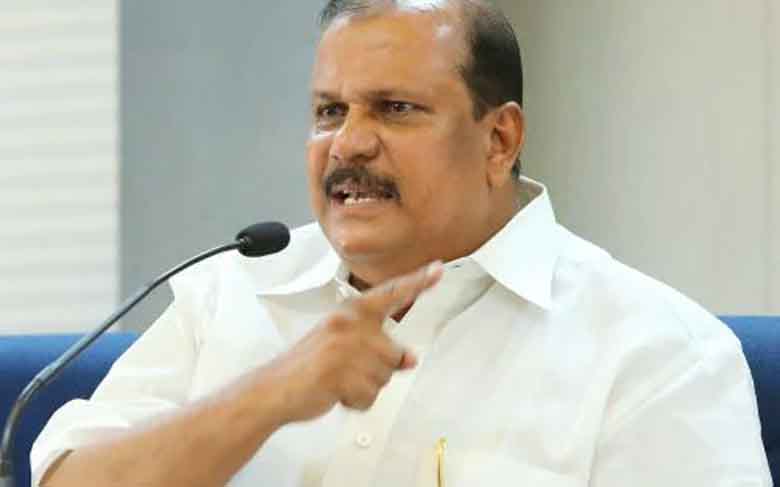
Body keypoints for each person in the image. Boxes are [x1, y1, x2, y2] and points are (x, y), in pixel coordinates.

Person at [32, 1, 770, 486]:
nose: (348, 143)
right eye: (330, 111)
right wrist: (272, 394)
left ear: (499, 139)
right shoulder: (234, 288)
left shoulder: (658, 353)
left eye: (395, 108)